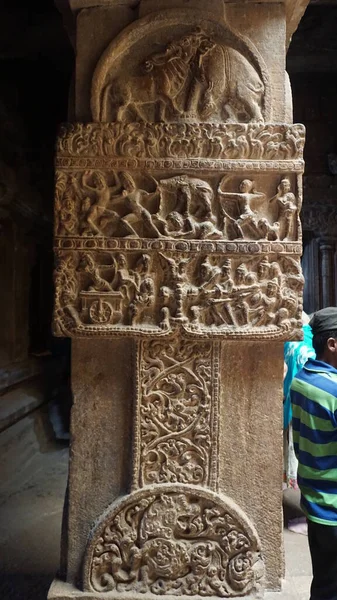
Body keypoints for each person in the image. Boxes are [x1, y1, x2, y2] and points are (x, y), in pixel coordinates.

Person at [290, 307, 337, 600]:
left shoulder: (302, 379)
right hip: (334, 508)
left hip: (314, 503)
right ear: (332, 344)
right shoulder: (333, 391)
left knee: (324, 583)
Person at [283, 312, 316, 490]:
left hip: (292, 398)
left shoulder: (289, 341)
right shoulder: (309, 343)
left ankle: (292, 485)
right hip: (313, 400)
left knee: (292, 444)